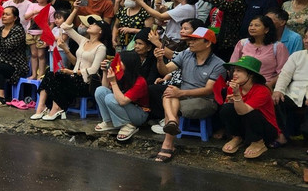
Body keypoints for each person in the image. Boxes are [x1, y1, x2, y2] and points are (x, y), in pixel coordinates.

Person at [150, 27, 225, 162]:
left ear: (208, 43)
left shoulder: (218, 64)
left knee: (172, 98)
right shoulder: (186, 54)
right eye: (190, 39)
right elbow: (165, 70)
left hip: (205, 100)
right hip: (183, 96)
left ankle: (169, 138)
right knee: (169, 92)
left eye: (195, 40)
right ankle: (171, 129)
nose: (190, 42)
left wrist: (181, 92)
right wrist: (160, 60)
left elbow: (209, 90)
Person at [31, 13, 110, 121]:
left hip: (86, 82)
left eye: (95, 24)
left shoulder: (101, 48)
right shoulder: (83, 40)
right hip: (73, 76)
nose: (90, 25)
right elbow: (65, 27)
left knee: (59, 77)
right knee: (50, 73)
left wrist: (72, 72)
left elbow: (93, 69)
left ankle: (56, 108)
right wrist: (76, 10)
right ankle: (41, 107)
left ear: (100, 31)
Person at [214, 56, 277, 160]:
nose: (234, 74)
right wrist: (231, 101)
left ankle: (258, 142)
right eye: (234, 70)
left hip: (265, 129)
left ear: (250, 75)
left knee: (251, 113)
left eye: (239, 71)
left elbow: (244, 111)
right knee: (226, 108)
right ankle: (237, 137)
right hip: (246, 127)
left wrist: (237, 96)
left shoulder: (262, 91)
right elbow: (233, 110)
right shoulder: (234, 87)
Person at [93, 50, 151, 141]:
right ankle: (109, 121)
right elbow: (105, 88)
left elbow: (122, 101)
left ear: (129, 64)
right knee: (100, 91)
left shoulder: (140, 81)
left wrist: (113, 82)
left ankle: (128, 125)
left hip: (140, 113)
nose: (117, 64)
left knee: (110, 98)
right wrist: (105, 71)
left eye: (120, 62)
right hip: (126, 108)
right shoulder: (121, 74)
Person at [229, 15, 289, 89]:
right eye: (250, 25)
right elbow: (232, 65)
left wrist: (270, 85)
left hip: (265, 85)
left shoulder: (278, 47)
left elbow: (283, 71)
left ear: (266, 29)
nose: (252, 28)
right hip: (242, 84)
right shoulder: (242, 43)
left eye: (256, 25)